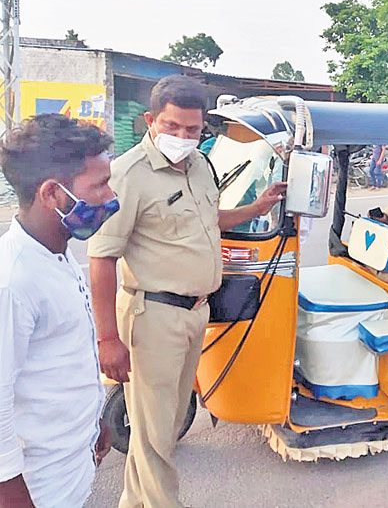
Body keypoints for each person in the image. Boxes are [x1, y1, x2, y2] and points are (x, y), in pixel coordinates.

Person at [87, 75, 287, 508]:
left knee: (165, 423)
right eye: (172, 126)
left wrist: (257, 208)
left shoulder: (199, 165)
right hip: (153, 316)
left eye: (192, 130)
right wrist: (107, 339)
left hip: (195, 313)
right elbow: (101, 257)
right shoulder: (129, 175)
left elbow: (207, 220)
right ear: (150, 120)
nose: (181, 137)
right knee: (155, 435)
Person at [0, 114, 115, 507]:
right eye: (99, 185)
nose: (111, 195)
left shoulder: (56, 254)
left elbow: (62, 360)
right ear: (53, 194)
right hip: (38, 490)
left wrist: (94, 421)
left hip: (70, 470)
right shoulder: (12, 282)